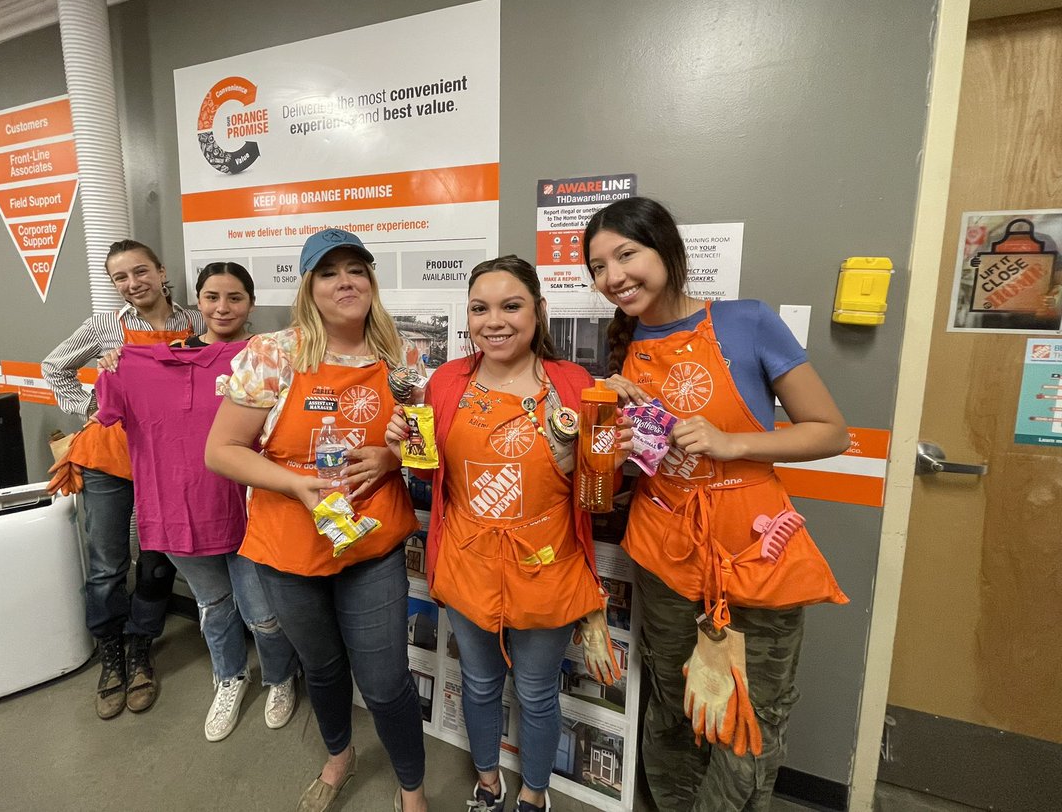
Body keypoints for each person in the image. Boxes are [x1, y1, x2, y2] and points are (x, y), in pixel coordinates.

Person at [582, 198, 850, 811]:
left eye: (626, 254)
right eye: (598, 267)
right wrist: (610, 438)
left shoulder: (747, 321)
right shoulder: (622, 349)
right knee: (678, 704)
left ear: (668, 250)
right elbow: (636, 466)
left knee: (751, 711)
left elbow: (831, 431)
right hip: (666, 549)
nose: (613, 277)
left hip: (755, 549)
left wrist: (732, 443)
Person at [385, 256, 628, 812]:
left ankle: (535, 793)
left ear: (538, 311)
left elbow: (601, 488)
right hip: (468, 562)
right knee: (478, 684)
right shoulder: (446, 381)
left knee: (539, 693)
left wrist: (581, 457)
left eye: (511, 305)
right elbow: (431, 473)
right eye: (480, 308)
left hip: (548, 565)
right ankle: (489, 781)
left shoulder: (573, 383)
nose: (494, 321)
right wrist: (406, 447)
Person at [205, 229, 429, 812]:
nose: (345, 281)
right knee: (323, 668)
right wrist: (295, 485)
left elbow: (423, 445)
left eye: (356, 269)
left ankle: (412, 788)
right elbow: (222, 450)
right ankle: (338, 757)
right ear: (309, 286)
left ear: (372, 283)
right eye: (329, 272)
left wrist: (391, 456)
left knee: (384, 682)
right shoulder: (273, 354)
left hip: (372, 543)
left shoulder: (400, 357)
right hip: (288, 548)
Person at [94, 262, 300, 741]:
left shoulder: (269, 357)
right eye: (211, 297)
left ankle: (280, 677)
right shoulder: (142, 361)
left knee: (263, 614)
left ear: (250, 303)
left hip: (251, 509)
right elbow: (101, 408)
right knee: (213, 606)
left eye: (234, 298)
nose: (222, 308)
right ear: (197, 302)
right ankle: (229, 677)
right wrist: (112, 367)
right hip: (177, 510)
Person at [43, 239, 203, 719]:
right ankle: (111, 652)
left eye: (140, 272)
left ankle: (141, 645)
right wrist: (94, 408)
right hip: (109, 458)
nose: (133, 284)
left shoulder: (194, 322)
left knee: (157, 560)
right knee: (108, 563)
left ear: (160, 270)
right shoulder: (105, 327)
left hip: (167, 460)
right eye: (121, 278)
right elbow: (55, 366)